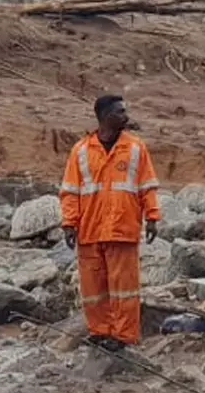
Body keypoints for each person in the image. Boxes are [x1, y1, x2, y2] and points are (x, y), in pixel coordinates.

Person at [60, 94, 161, 353]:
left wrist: (152, 217)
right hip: (90, 230)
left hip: (122, 228)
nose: (126, 117)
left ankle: (124, 335)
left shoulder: (136, 148)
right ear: (105, 117)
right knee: (93, 287)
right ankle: (100, 331)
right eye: (120, 112)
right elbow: (70, 191)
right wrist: (68, 224)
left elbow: (147, 186)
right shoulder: (81, 151)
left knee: (124, 287)